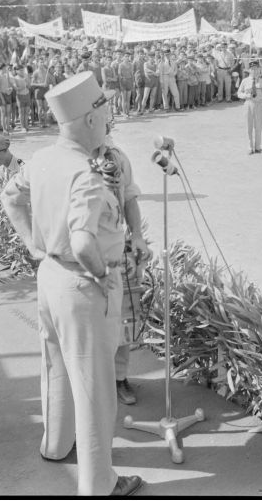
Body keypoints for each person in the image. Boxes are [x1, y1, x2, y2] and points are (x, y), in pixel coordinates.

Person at [0, 72, 143, 496]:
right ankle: (100, 484)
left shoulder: (43, 158)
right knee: (96, 388)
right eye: (104, 108)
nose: (110, 114)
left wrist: (33, 243)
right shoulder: (86, 171)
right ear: (89, 118)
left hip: (50, 276)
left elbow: (10, 196)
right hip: (84, 283)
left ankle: (56, 445)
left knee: (56, 365)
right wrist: (102, 275)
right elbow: (83, 242)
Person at [92, 126, 152, 405]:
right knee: (91, 324)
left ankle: (119, 378)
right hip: (84, 257)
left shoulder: (118, 157)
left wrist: (137, 236)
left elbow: (129, 198)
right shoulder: (71, 161)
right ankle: (93, 384)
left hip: (117, 252)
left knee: (122, 317)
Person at [237, 59, 262, 154]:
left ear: (259, 69)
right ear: (249, 70)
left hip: (259, 104)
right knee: (248, 126)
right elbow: (239, 93)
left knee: (258, 126)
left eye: (256, 69)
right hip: (248, 103)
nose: (254, 71)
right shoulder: (245, 81)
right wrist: (245, 96)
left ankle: (258, 146)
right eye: (252, 69)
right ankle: (250, 147)